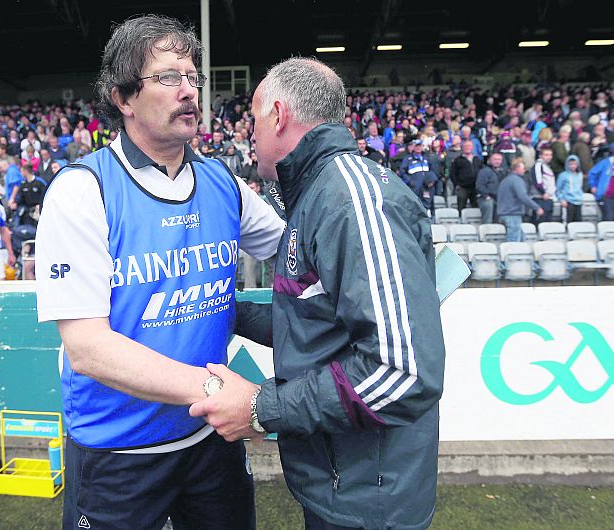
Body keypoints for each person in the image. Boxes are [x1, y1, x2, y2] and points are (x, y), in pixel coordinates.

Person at [33, 15, 283, 530]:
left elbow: (295, 249)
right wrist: (216, 392)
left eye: (194, 77)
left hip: (209, 443)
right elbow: (88, 350)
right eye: (169, 77)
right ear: (123, 98)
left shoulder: (222, 182)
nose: (188, 90)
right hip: (117, 452)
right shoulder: (83, 190)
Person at [190, 57, 446, 530]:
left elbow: (402, 371)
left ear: (279, 116)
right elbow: (320, 326)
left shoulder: (351, 200)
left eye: (253, 119)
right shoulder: (318, 195)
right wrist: (226, 312)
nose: (249, 135)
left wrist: (261, 408)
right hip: (343, 486)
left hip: (370, 500)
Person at [497, 159, 544, 242]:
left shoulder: (505, 180)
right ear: (517, 168)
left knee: (521, 240)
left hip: (504, 213)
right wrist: (537, 207)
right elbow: (523, 197)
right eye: (523, 168)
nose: (524, 170)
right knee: (514, 243)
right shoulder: (517, 181)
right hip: (512, 214)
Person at [399, 139, 437, 211]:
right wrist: (410, 181)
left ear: (422, 147)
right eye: (416, 146)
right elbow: (402, 171)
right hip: (414, 187)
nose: (418, 148)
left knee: (427, 204)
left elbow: (432, 169)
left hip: (426, 186)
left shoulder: (426, 158)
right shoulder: (408, 158)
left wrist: (432, 180)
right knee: (414, 205)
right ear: (413, 147)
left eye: (420, 146)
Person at [450, 139, 482, 211]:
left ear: (472, 147)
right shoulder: (457, 160)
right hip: (462, 187)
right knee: (461, 207)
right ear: (462, 147)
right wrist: (456, 185)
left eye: (469, 146)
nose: (468, 147)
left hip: (475, 187)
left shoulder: (477, 159)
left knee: (476, 207)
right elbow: (452, 173)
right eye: (466, 146)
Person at [529, 146, 556, 223]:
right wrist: (543, 193)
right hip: (540, 198)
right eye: (546, 155)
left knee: (548, 223)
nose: (549, 157)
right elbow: (538, 181)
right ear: (540, 155)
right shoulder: (538, 165)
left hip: (548, 198)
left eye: (550, 155)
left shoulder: (547, 166)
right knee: (541, 222)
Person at [476, 152, 503, 224]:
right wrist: (486, 196)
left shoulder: (503, 172)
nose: (497, 161)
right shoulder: (484, 171)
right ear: (490, 160)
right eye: (495, 159)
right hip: (486, 198)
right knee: (489, 204)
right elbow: (479, 186)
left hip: (499, 199)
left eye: (499, 159)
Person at [556, 155, 585, 223]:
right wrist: (561, 199)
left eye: (575, 164)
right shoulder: (563, 175)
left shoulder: (580, 175)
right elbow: (558, 189)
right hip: (568, 202)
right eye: (570, 164)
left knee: (578, 222)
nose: (573, 166)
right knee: (568, 222)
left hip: (578, 201)